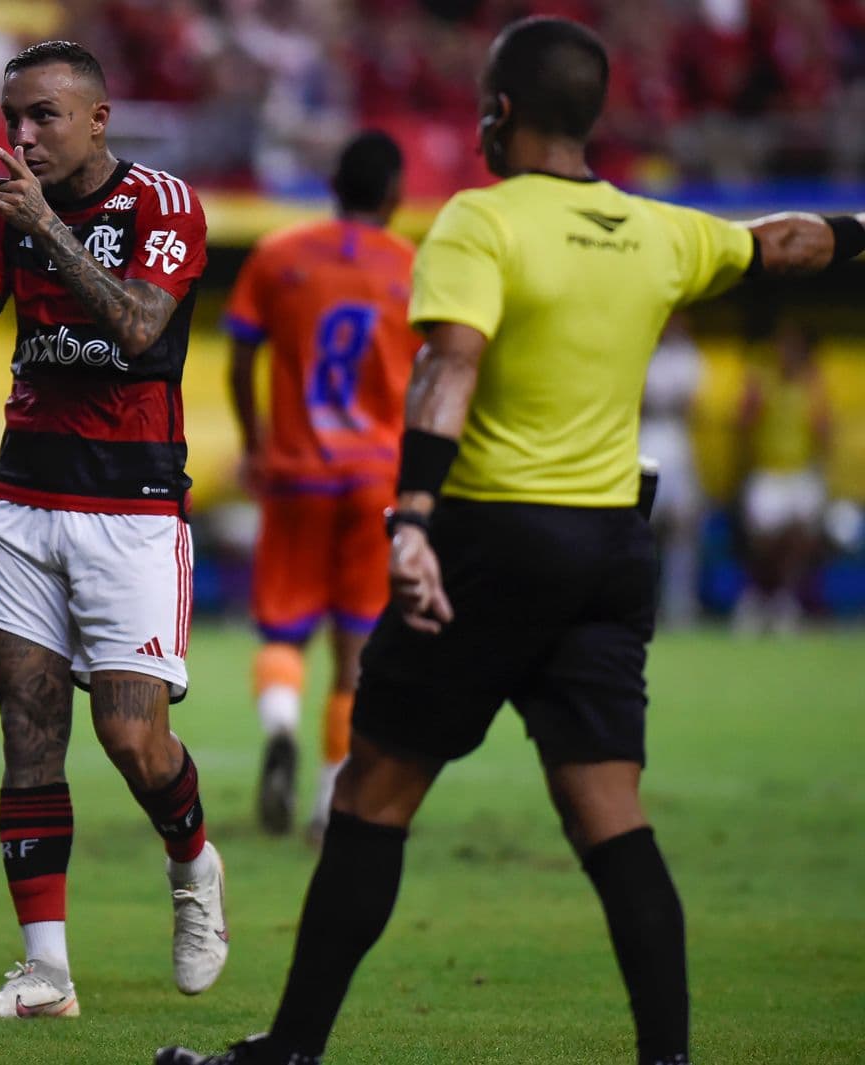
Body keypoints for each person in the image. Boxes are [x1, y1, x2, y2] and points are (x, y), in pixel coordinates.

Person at [157, 16, 863, 1065]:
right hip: (609, 553)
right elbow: (783, 241)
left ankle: (290, 1051)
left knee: (373, 795)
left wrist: (412, 521)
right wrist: (857, 231)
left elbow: (449, 372)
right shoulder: (660, 230)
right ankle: (667, 1060)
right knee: (610, 817)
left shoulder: (478, 225)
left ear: (499, 113)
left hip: (491, 540)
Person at [0, 39, 228, 1019]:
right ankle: (45, 971)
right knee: (29, 737)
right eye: (12, 117)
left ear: (98, 118)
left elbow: (138, 328)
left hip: (130, 509)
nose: (22, 135)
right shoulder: (5, 212)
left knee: (132, 739)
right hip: (22, 504)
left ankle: (193, 865)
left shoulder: (163, 206)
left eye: (42, 115)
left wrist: (45, 227)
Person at [223, 131, 419, 839]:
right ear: (394, 194)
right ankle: (329, 798)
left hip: (296, 473)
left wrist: (255, 444)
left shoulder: (278, 254)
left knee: (282, 627)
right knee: (356, 646)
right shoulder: (411, 267)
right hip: (376, 477)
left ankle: (280, 727)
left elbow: (240, 358)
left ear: (333, 186)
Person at [732, 320, 832, 634]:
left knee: (801, 535)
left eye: (794, 348)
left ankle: (784, 600)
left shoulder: (812, 386)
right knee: (763, 541)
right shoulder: (762, 382)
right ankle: (759, 596)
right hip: (767, 472)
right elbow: (743, 426)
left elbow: (825, 431)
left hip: (800, 472)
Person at [639, 314, 707, 627]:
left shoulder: (688, 355)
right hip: (644, 437)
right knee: (641, 526)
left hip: (677, 441)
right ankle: (639, 602)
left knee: (682, 526)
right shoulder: (640, 348)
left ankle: (679, 602)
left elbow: (690, 403)